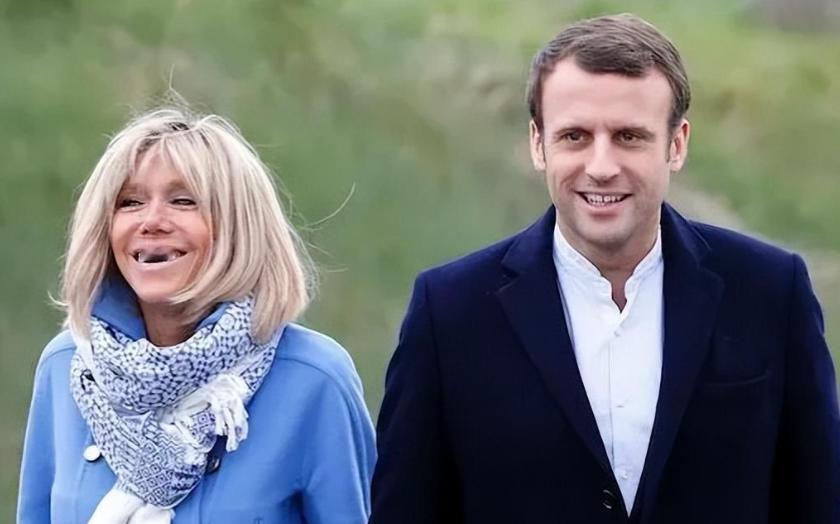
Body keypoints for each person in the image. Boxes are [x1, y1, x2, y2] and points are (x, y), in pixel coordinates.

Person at [370, 13, 840, 524]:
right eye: (574, 136)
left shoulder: (772, 293)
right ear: (538, 143)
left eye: (629, 136)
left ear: (676, 144)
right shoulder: (449, 312)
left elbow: (820, 501)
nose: (601, 166)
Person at [18, 105, 376, 523]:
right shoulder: (67, 366)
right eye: (130, 202)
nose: (152, 221)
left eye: (183, 201)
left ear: (239, 228)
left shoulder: (314, 379)